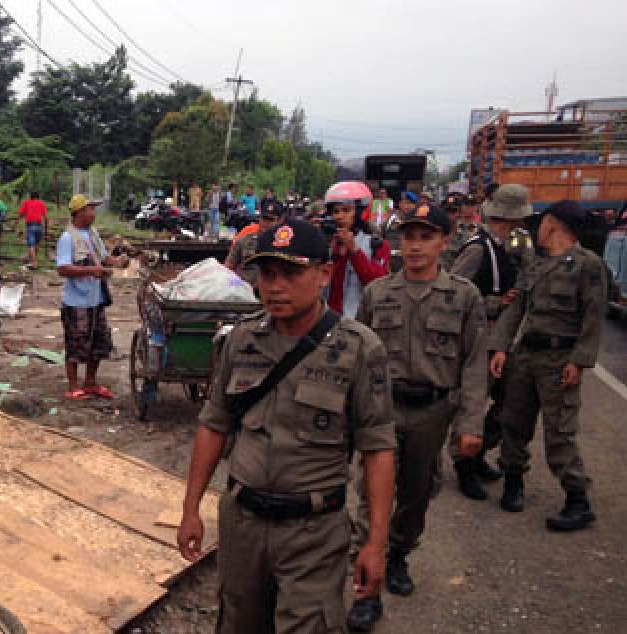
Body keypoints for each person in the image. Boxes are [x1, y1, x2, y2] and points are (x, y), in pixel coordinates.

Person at [177, 219, 396, 634]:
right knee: (238, 621)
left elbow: (378, 449)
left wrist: (375, 543)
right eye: (267, 274)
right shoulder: (240, 341)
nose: (275, 286)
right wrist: (191, 508)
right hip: (243, 524)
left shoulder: (358, 349)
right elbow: (213, 424)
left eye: (291, 273)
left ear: (324, 274)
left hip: (313, 532)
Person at [349, 204, 487, 631]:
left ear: (445, 242)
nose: (414, 245)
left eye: (425, 236)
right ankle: (366, 588)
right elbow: (356, 355)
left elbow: (475, 363)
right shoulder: (379, 294)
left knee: (416, 492)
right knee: (372, 496)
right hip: (382, 411)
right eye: (408, 236)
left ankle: (399, 555)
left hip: (432, 412)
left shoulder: (463, 296)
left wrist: (470, 424)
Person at [489, 200, 607, 531]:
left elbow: (593, 319)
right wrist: (500, 347)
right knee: (514, 421)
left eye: (541, 222)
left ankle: (577, 499)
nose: (536, 228)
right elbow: (516, 309)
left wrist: (579, 362)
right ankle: (513, 482)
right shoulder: (537, 266)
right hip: (526, 356)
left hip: (560, 360)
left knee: (559, 431)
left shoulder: (588, 266)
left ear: (553, 224)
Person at [447, 184, 534, 500]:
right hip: (478, 337)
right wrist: (495, 303)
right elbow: (453, 296)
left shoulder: (505, 246)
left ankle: (479, 450)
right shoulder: (478, 248)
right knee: (470, 402)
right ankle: (464, 464)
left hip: (500, 338)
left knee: (509, 401)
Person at [55, 194, 129, 401]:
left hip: (96, 299)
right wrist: (91, 271)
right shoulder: (67, 238)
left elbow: (104, 258)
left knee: (99, 342)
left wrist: (117, 262)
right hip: (77, 302)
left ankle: (90, 383)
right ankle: (73, 386)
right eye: (90, 209)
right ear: (79, 212)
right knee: (76, 344)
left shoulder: (92, 234)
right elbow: (62, 269)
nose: (93, 213)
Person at [323, 181, 390, 317]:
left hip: (359, 322)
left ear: (360, 212)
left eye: (346, 210)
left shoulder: (377, 245)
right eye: (336, 211)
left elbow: (377, 284)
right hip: (327, 320)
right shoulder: (327, 245)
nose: (339, 216)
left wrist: (354, 250)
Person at [224, 203, 282, 273]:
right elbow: (228, 266)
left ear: (278, 222)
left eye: (270, 220)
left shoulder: (283, 244)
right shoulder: (245, 240)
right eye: (264, 218)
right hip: (246, 282)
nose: (266, 222)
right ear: (259, 219)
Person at [18, 191, 49, 268]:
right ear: (38, 197)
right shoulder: (41, 203)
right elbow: (45, 216)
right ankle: (32, 260)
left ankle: (34, 263)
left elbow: (21, 213)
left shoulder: (26, 203)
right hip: (39, 226)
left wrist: (22, 217)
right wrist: (46, 226)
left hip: (30, 225)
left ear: (30, 196)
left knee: (31, 245)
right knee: (36, 244)